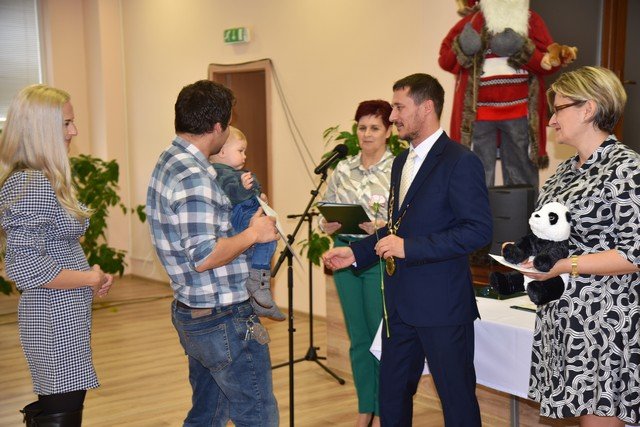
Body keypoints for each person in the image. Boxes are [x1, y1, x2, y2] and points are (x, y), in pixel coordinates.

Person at [322, 74, 493, 426]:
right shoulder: (402, 162)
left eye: (399, 107)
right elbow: (397, 228)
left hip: (443, 307)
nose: (393, 116)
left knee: (457, 401)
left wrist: (409, 248)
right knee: (392, 394)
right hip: (399, 305)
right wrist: (358, 253)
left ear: (426, 108)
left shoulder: (460, 161)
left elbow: (478, 231)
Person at [146, 80, 279, 427]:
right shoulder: (194, 177)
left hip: (196, 311)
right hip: (221, 315)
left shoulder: (171, 160)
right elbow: (204, 256)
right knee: (258, 415)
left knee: (207, 414)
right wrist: (254, 233)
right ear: (218, 127)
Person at [522, 66, 640, 426]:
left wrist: (564, 266)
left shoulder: (627, 169)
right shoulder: (564, 171)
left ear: (588, 109)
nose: (551, 121)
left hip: (605, 321)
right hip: (564, 317)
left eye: (558, 109)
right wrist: (529, 253)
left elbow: (633, 253)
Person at [0, 84, 113, 425]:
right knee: (62, 408)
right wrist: (88, 277)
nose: (74, 131)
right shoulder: (32, 183)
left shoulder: (43, 179)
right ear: (40, 130)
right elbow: (25, 265)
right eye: (66, 123)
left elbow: (53, 247)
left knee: (62, 406)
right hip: (53, 316)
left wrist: (90, 274)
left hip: (62, 312)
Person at [319, 100, 395, 427]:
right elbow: (328, 208)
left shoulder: (397, 169)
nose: (367, 134)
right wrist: (327, 224)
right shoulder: (343, 168)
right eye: (362, 127)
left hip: (377, 256)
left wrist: (382, 226)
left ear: (388, 132)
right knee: (358, 338)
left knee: (380, 339)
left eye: (375, 127)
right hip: (344, 253)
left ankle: (384, 409)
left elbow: (405, 219)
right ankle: (365, 406)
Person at [209, 126, 285, 321]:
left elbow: (252, 192)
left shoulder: (235, 172)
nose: (245, 156)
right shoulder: (219, 173)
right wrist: (243, 189)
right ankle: (258, 284)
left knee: (266, 241)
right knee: (266, 240)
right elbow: (230, 196)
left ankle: (258, 292)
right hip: (240, 214)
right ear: (222, 152)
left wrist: (260, 198)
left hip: (247, 211)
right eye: (240, 151)